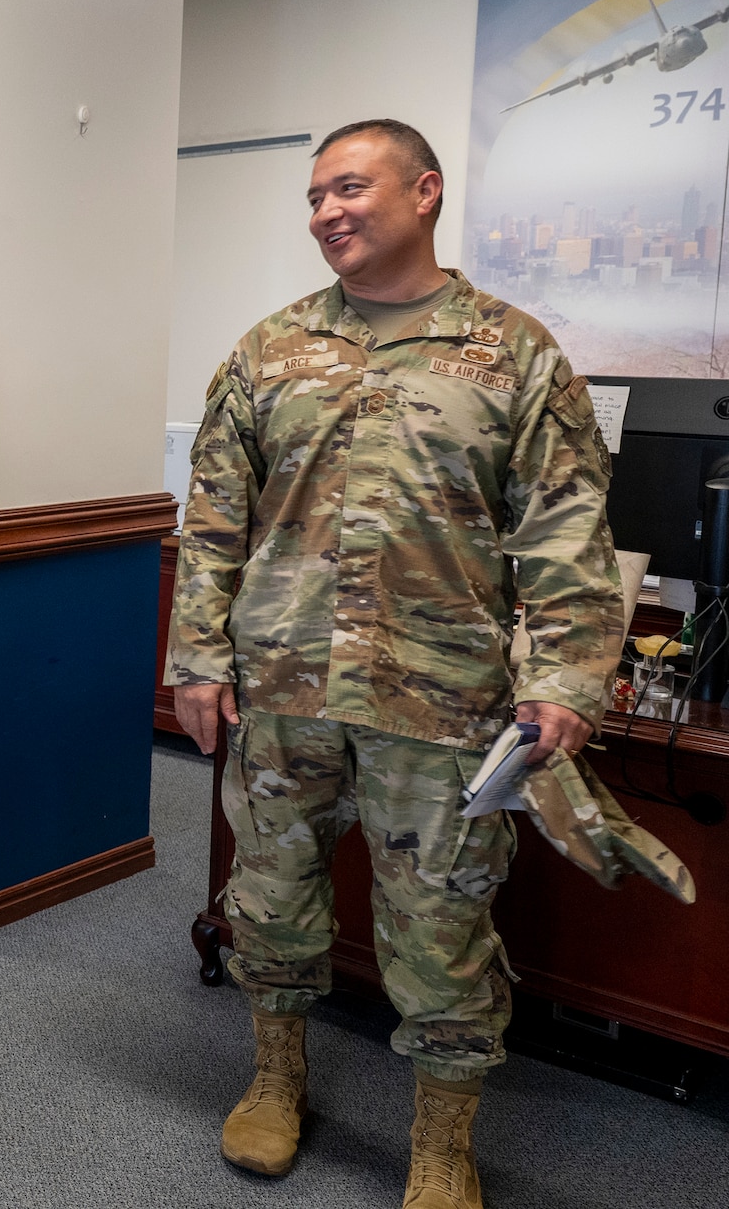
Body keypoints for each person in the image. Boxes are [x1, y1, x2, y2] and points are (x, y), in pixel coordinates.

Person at [167, 119, 622, 1209]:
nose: (326, 211)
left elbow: (564, 529)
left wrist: (562, 680)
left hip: (439, 698)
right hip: (280, 688)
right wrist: (194, 652)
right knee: (269, 900)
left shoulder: (510, 352)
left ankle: (440, 1139)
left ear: (422, 192)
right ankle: (275, 1080)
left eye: (349, 188)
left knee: (439, 924)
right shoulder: (267, 350)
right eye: (314, 195)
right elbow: (215, 517)